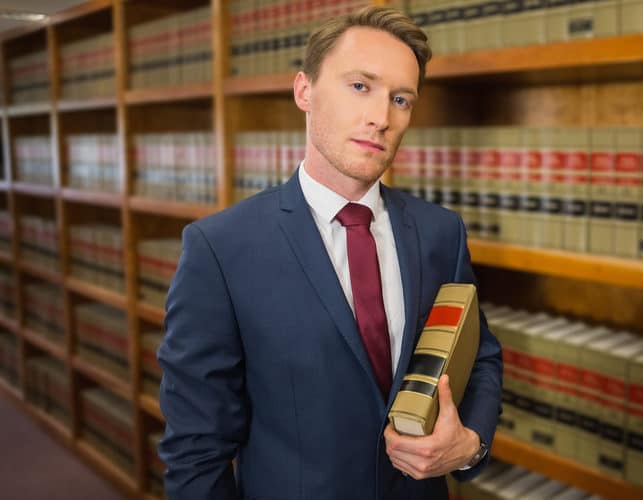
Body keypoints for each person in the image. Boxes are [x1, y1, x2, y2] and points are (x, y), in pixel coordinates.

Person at [157, 6, 503, 500]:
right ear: (304, 91)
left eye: (400, 98)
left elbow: (480, 355)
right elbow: (196, 451)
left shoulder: (440, 232)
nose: (380, 118)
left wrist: (470, 445)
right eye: (360, 86)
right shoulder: (219, 249)